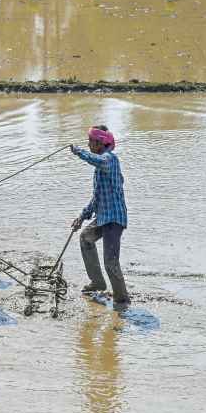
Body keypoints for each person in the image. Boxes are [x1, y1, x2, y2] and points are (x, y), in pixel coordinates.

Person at [70, 125, 130, 305]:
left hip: (114, 219)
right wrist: (82, 216)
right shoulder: (99, 169)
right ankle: (97, 282)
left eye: (90, 141)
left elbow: (99, 160)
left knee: (110, 262)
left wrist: (78, 152)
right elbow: (97, 198)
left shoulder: (109, 159)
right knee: (85, 238)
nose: (88, 144)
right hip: (103, 217)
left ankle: (122, 301)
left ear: (100, 143)